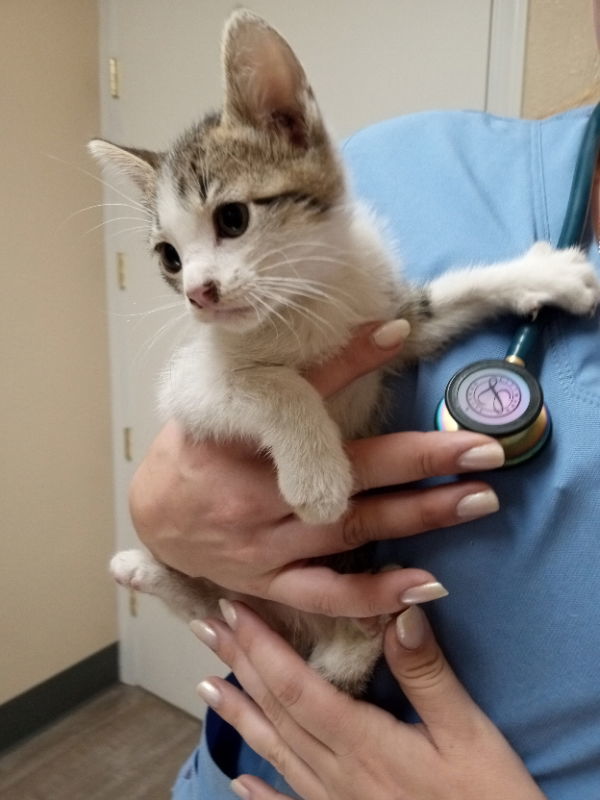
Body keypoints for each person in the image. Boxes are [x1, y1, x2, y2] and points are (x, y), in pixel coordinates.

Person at [130, 48, 600, 800]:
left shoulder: (350, 232)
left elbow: (404, 320)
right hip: (237, 770)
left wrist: (516, 280)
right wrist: (159, 518)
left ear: (292, 125)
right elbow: (192, 414)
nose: (198, 287)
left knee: (344, 649)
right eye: (170, 255)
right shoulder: (407, 157)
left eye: (228, 220)